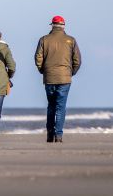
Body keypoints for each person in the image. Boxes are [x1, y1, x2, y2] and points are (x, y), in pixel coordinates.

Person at [34, 15, 82, 143]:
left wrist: (43, 71)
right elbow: (77, 60)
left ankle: (50, 134)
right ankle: (58, 135)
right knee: (60, 107)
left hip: (49, 77)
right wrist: (71, 73)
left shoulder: (44, 39)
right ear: (63, 26)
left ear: (52, 25)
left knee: (51, 106)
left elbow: (38, 58)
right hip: (65, 78)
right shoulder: (71, 40)